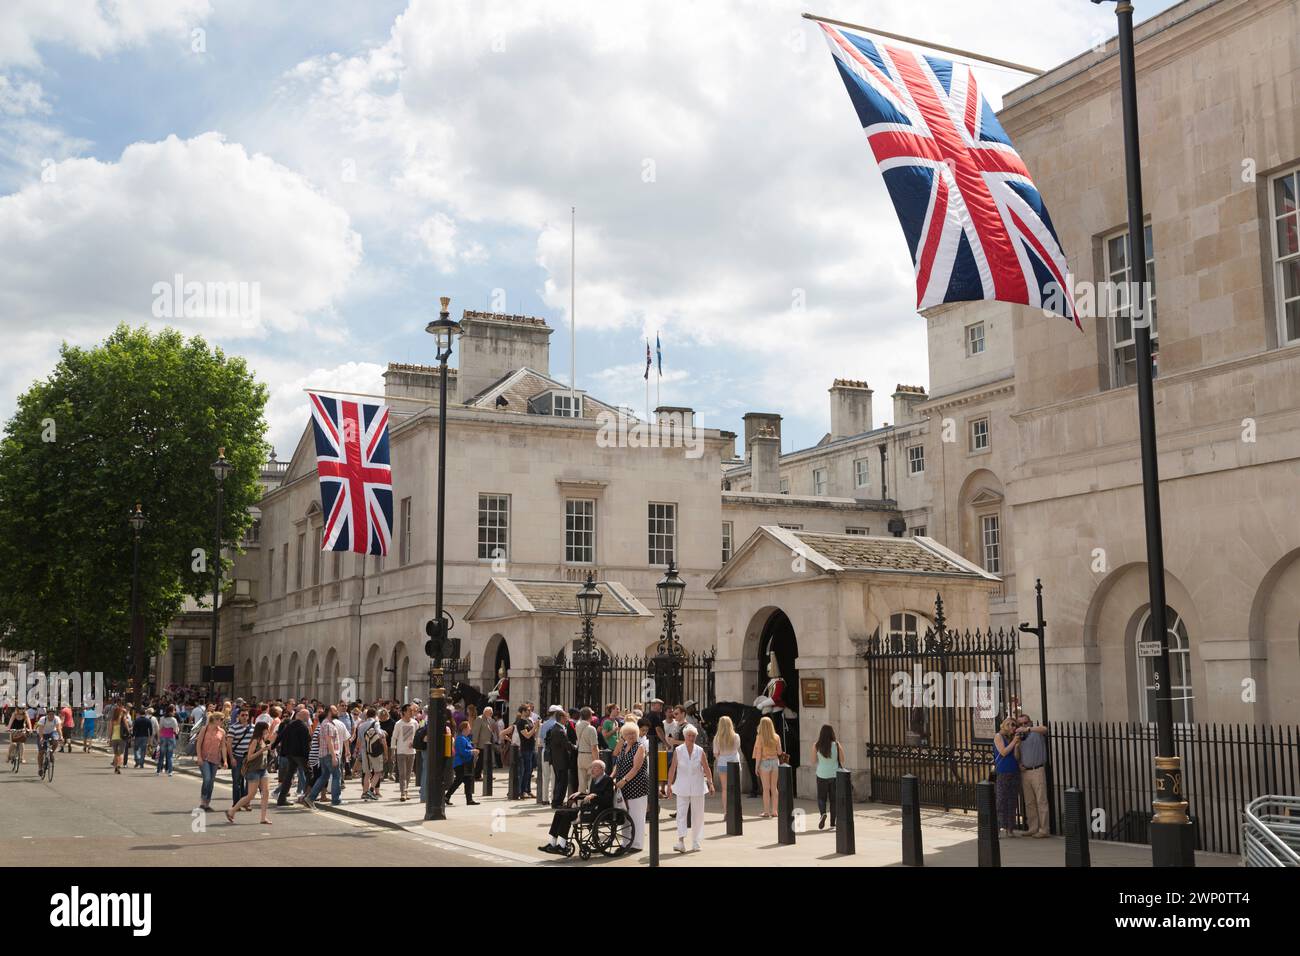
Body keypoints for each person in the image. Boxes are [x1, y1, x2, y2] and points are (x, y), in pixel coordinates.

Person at [538, 759, 614, 855]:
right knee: (559, 812)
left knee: (566, 815)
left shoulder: (608, 780)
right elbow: (589, 795)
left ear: (602, 769)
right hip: (589, 808)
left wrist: (595, 796)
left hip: (599, 811)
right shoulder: (594, 780)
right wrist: (580, 794)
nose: (592, 770)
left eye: (594, 767)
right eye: (591, 767)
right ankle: (552, 843)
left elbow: (607, 798)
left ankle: (562, 846)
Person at [667, 724, 712, 853]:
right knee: (681, 813)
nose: (691, 738)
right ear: (685, 736)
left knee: (698, 814)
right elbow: (672, 768)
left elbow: (706, 767)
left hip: (698, 785)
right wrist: (669, 785)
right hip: (682, 785)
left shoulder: (700, 750)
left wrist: (711, 782)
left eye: (693, 736)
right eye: (689, 736)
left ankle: (696, 841)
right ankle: (680, 841)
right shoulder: (678, 750)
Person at [610, 721, 648, 853]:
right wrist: (612, 776)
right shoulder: (624, 746)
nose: (631, 736)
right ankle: (626, 842)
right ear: (623, 736)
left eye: (633, 733)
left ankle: (636, 844)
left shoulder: (640, 747)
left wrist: (624, 780)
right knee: (624, 815)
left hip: (637, 786)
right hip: (623, 787)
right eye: (628, 734)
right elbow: (618, 764)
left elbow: (636, 768)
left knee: (636, 816)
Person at [226, 722, 273, 825]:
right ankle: (232, 810)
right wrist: (262, 750)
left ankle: (263, 818)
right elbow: (249, 757)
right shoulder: (255, 741)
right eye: (266, 728)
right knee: (251, 795)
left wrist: (268, 750)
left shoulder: (263, 740)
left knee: (266, 792)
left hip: (263, 769)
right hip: (254, 770)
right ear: (262, 729)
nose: (268, 730)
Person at [1015, 713, 1050, 838]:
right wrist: (1019, 763)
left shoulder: (1036, 732)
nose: (1023, 725)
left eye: (1026, 722)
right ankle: (1033, 827)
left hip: (1037, 770)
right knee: (1029, 802)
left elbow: (1045, 729)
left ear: (1030, 722)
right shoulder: (1019, 738)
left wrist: (1028, 729)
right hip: (1025, 772)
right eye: (1021, 724)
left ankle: (1044, 829)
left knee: (1041, 800)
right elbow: (1017, 756)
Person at [275, 707, 312, 805]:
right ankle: (306, 797)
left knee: (289, 775)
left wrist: (273, 746)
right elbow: (305, 744)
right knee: (309, 773)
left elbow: (281, 735)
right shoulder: (303, 727)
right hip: (300, 755)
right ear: (303, 716)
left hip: (289, 754)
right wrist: (308, 758)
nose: (309, 717)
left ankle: (281, 799)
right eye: (308, 715)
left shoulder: (290, 724)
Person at [993, 717, 1021, 837]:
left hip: (1014, 771)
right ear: (1003, 725)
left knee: (1012, 800)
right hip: (1003, 772)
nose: (1011, 726)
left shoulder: (1013, 739)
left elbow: (1016, 757)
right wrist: (1014, 742)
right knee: (1001, 800)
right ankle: (998, 828)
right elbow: (1003, 752)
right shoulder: (998, 736)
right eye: (1008, 724)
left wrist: (1017, 745)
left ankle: (1010, 829)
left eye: (1014, 725)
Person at [813, 724, 844, 830]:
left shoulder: (816, 745)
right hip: (834, 775)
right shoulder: (836, 745)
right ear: (832, 733)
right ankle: (832, 823)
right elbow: (843, 759)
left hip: (821, 774)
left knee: (821, 798)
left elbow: (813, 761)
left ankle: (823, 814)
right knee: (833, 800)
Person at [196, 713, 227, 812]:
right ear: (215, 720)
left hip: (215, 759)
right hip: (204, 758)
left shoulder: (222, 732)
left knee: (212, 782)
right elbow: (199, 743)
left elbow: (223, 747)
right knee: (207, 779)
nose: (223, 722)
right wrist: (199, 757)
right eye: (221, 719)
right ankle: (203, 801)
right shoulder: (204, 729)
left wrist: (225, 760)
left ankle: (207, 803)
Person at [752, 715, 782, 819]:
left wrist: (756, 767)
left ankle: (766, 812)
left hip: (764, 762)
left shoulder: (759, 737)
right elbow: (779, 752)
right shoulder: (776, 736)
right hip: (775, 762)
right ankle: (775, 811)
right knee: (774, 788)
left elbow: (758, 753)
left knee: (766, 789)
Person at [546, 708, 576, 808]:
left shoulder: (557, 728)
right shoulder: (558, 730)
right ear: (561, 718)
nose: (567, 719)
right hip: (561, 760)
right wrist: (575, 747)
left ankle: (557, 801)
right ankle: (557, 802)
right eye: (566, 717)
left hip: (558, 760)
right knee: (562, 783)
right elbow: (566, 744)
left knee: (560, 782)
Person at [226, 708, 255, 808]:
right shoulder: (233, 728)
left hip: (249, 758)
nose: (245, 717)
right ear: (238, 716)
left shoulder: (253, 728)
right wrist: (231, 758)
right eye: (242, 715)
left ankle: (245, 803)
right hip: (237, 757)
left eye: (246, 715)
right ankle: (236, 804)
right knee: (237, 781)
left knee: (249, 781)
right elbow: (229, 744)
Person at [445, 721, 480, 805]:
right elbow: (462, 752)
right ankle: (447, 796)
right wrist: (472, 751)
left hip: (466, 763)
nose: (470, 729)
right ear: (464, 729)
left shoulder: (466, 738)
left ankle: (469, 800)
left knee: (467, 780)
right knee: (458, 780)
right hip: (460, 763)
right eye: (468, 727)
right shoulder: (460, 739)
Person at [712, 715, 741, 807]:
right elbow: (737, 748)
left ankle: (726, 811)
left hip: (722, 763)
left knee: (725, 789)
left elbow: (716, 753)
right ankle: (735, 810)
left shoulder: (717, 738)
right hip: (734, 762)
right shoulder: (736, 736)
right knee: (735, 788)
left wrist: (720, 758)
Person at [391, 703, 418, 801]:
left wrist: (414, 743)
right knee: (402, 773)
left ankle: (406, 791)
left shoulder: (415, 723)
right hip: (401, 751)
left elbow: (417, 736)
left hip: (411, 752)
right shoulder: (398, 724)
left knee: (408, 774)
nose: (411, 712)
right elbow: (394, 737)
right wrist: (393, 751)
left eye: (412, 710)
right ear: (404, 712)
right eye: (409, 711)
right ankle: (403, 793)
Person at [360, 710, 389, 801]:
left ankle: (365, 792)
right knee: (378, 772)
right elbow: (381, 735)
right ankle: (371, 790)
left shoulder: (361, 726)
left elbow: (360, 740)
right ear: (375, 715)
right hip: (375, 751)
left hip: (365, 751)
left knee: (367, 773)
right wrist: (383, 733)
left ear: (366, 716)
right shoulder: (376, 723)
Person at [575, 707, 600, 794]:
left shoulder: (577, 725)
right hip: (589, 755)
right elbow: (594, 747)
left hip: (580, 755)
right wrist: (597, 760)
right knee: (591, 781)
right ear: (590, 716)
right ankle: (589, 803)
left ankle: (580, 802)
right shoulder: (591, 729)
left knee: (581, 782)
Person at [470, 706, 495, 782]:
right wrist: (474, 743)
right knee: (480, 760)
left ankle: (487, 774)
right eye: (490, 712)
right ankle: (477, 775)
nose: (491, 714)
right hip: (480, 744)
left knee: (487, 760)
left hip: (487, 744)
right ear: (485, 712)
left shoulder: (488, 720)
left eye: (492, 713)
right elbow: (476, 731)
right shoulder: (479, 719)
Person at [36, 707, 62, 776]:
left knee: (55, 741)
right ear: (47, 714)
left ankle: (51, 753)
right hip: (42, 734)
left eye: (53, 714)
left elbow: (59, 728)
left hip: (51, 732)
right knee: (41, 752)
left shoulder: (56, 719)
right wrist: (41, 738)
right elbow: (41, 730)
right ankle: (40, 768)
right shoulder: (42, 719)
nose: (51, 716)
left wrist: (61, 736)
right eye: (50, 714)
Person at [156, 705, 180, 776]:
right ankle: (170, 771)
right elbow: (175, 730)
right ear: (171, 711)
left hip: (163, 737)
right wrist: (177, 730)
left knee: (161, 755)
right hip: (171, 737)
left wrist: (159, 738)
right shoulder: (173, 719)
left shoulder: (162, 718)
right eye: (174, 710)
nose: (175, 712)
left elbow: (160, 728)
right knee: (169, 756)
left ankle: (158, 771)